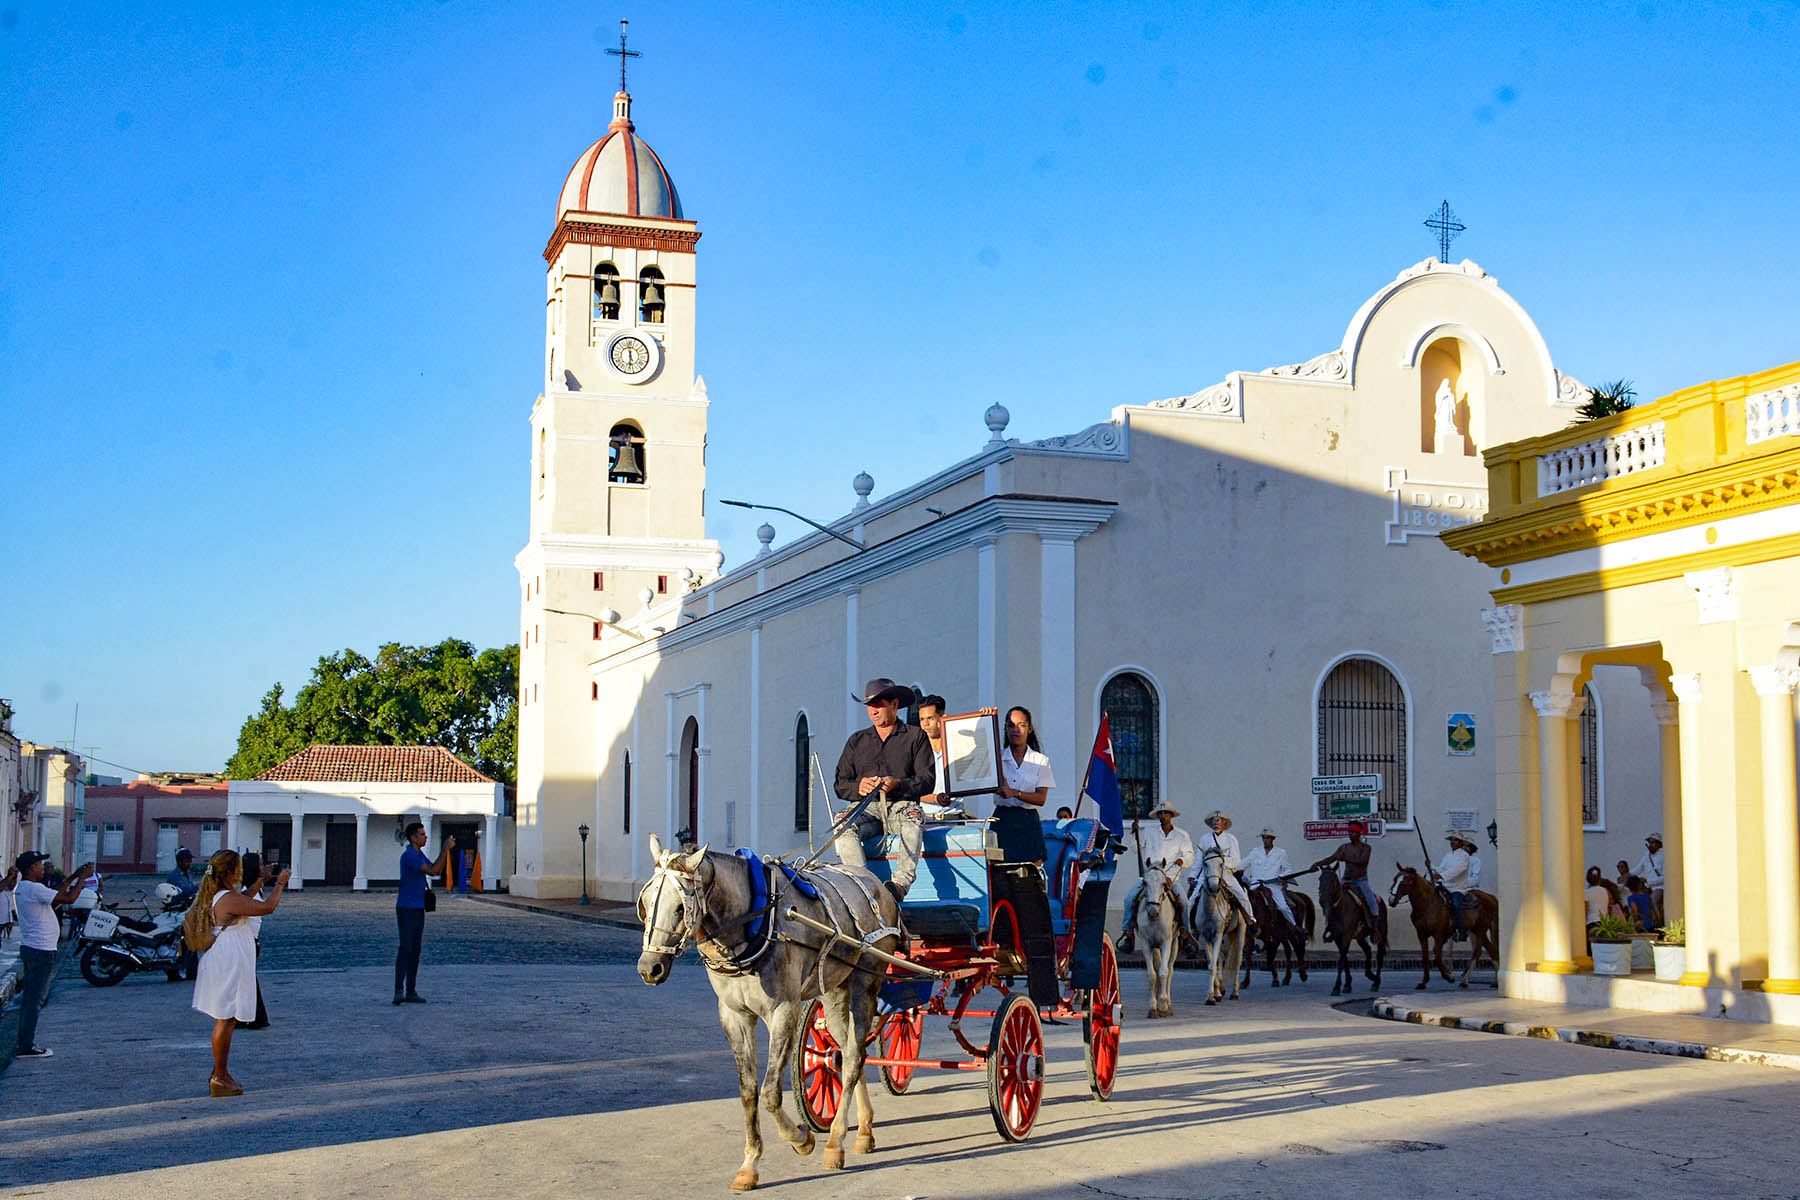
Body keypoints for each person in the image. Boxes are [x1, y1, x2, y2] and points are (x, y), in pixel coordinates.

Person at [189, 849, 288, 1096]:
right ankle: (219, 1075)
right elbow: (267, 907)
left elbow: (246, 896)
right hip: (229, 959)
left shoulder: (225, 895)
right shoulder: (227, 898)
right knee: (226, 1018)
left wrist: (262, 880)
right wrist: (280, 883)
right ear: (232, 871)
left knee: (228, 1018)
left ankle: (220, 1073)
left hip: (229, 957)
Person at [833, 678, 934, 901]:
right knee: (841, 821)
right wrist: (858, 787)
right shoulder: (856, 741)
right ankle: (864, 885)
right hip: (867, 809)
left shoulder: (915, 737)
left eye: (878, 704)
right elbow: (840, 784)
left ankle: (901, 883)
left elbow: (927, 780)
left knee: (915, 816)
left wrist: (899, 783)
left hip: (901, 807)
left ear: (895, 704)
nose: (873, 711)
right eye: (870, 706)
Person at [1, 852, 94, 1060]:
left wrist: (73, 877)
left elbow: (54, 895)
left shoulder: (26, 888)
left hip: (33, 949)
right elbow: (68, 898)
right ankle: (26, 1046)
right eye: (39, 864)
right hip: (40, 951)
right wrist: (83, 878)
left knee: (30, 999)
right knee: (34, 1000)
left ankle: (24, 1041)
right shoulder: (33, 888)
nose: (42, 868)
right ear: (31, 867)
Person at [1119, 802, 1194, 952]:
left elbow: (1189, 855)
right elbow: (1136, 848)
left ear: (1171, 815)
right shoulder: (1148, 831)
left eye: (1166, 813)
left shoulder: (1182, 835)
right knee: (1129, 900)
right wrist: (1135, 833)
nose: (1163, 816)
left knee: (1185, 903)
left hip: (1171, 878)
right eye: (1160, 813)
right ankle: (1128, 933)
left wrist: (1183, 860)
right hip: (1150, 878)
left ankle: (1186, 934)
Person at [396, 822, 454, 1004]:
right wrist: (445, 849)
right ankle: (399, 990)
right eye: (421, 834)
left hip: (417, 906)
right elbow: (434, 870)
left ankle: (410, 990)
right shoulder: (409, 856)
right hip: (407, 907)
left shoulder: (418, 854)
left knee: (415, 950)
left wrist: (444, 853)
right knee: (406, 948)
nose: (425, 837)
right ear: (413, 837)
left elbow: (435, 870)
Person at [994, 705, 1055, 864]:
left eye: (1021, 725)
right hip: (1003, 819)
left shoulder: (1040, 760)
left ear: (1030, 728)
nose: (1016, 730)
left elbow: (1041, 798)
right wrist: (985, 719)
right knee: (999, 875)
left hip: (1028, 822)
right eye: (1011, 725)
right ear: (1005, 729)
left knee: (1030, 877)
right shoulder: (997, 758)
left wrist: (1015, 793)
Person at [1309, 822, 1383, 930]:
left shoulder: (1366, 848)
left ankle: (1374, 928)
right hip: (1346, 880)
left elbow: (1362, 860)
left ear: (1359, 833)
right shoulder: (1344, 848)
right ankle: (1330, 925)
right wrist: (1318, 864)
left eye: (1353, 832)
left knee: (1371, 901)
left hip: (1361, 881)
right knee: (1327, 896)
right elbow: (1331, 858)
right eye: (1349, 832)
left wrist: (1345, 858)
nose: (1351, 834)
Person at [237, 852, 275, 1029]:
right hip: (243, 938)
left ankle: (253, 1016)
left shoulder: (254, 887)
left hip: (249, 938)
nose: (263, 867)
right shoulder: (245, 889)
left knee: (246, 979)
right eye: (260, 864)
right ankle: (251, 1016)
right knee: (244, 979)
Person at [1197, 809, 1254, 921]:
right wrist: (1192, 875)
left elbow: (1236, 861)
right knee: (1192, 897)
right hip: (1207, 875)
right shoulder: (1204, 839)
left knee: (1242, 896)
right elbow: (1198, 861)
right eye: (1213, 821)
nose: (1216, 823)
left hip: (1226, 874)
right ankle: (1189, 927)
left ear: (1224, 823)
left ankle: (1251, 920)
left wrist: (1222, 861)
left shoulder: (1231, 839)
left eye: (1218, 821)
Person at [1242, 827, 1298, 927]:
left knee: (1283, 907)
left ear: (1273, 839)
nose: (1265, 840)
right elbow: (1243, 864)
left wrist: (1281, 876)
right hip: (1255, 885)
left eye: (1268, 838)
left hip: (1273, 885)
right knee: (1243, 903)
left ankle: (1294, 925)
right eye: (1263, 838)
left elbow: (1288, 869)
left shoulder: (1281, 853)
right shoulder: (1255, 852)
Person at [915, 693, 959, 818]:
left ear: (942, 718)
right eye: (922, 719)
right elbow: (909, 790)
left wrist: (985, 718)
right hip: (924, 819)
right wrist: (935, 798)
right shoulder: (915, 752)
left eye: (931, 718)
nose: (925, 724)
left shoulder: (958, 747)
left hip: (955, 817)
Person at [1432, 831, 1475, 940]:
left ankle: (1461, 930)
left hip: (1458, 888)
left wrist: (1442, 876)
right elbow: (1441, 868)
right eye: (1451, 840)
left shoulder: (1464, 856)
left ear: (1461, 843)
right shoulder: (1447, 856)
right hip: (1446, 886)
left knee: (1456, 904)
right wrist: (1431, 866)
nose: (1452, 842)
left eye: (1455, 840)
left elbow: (1458, 870)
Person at [1635, 833, 1666, 920]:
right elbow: (1638, 869)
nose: (1650, 845)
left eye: (1652, 842)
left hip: (1660, 887)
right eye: (1649, 842)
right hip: (1648, 888)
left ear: (1659, 844)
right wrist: (1627, 875)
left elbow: (1665, 878)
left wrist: (1648, 881)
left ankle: (1659, 925)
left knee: (1653, 901)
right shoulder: (1646, 856)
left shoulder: (1663, 856)